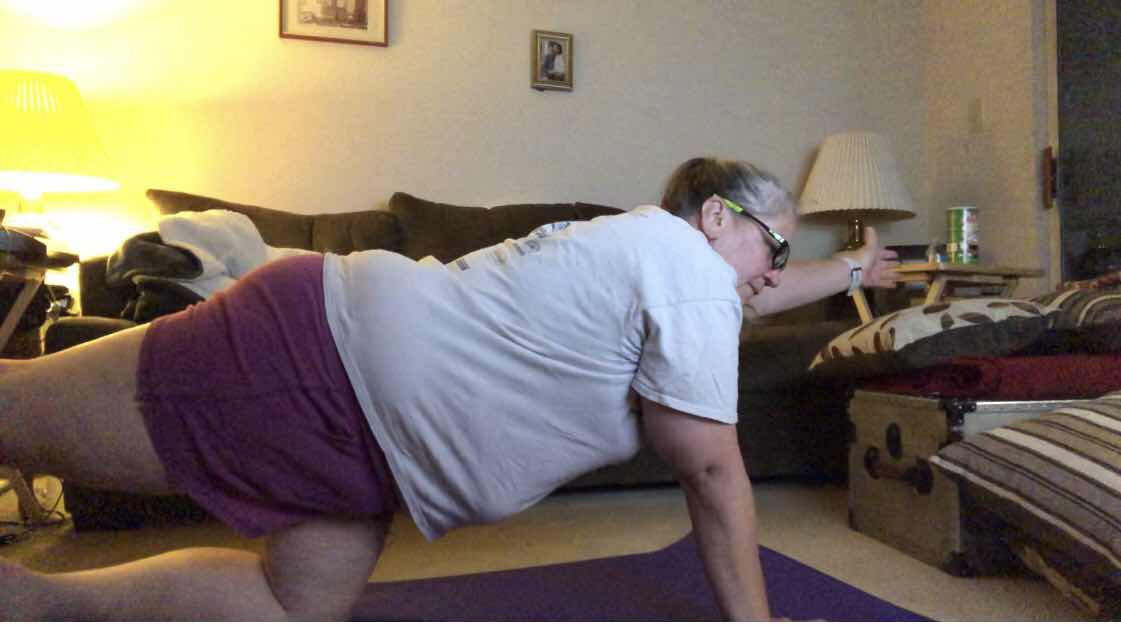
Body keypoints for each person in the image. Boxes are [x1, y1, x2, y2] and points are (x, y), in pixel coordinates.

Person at [0, 157, 899, 621]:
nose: (775, 268)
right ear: (714, 216)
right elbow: (708, 468)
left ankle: (33, 604)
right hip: (311, 362)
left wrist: (854, 265)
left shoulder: (670, 266)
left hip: (371, 447)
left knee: (292, 607)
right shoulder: (681, 263)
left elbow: (764, 290)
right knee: (18, 412)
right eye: (774, 245)